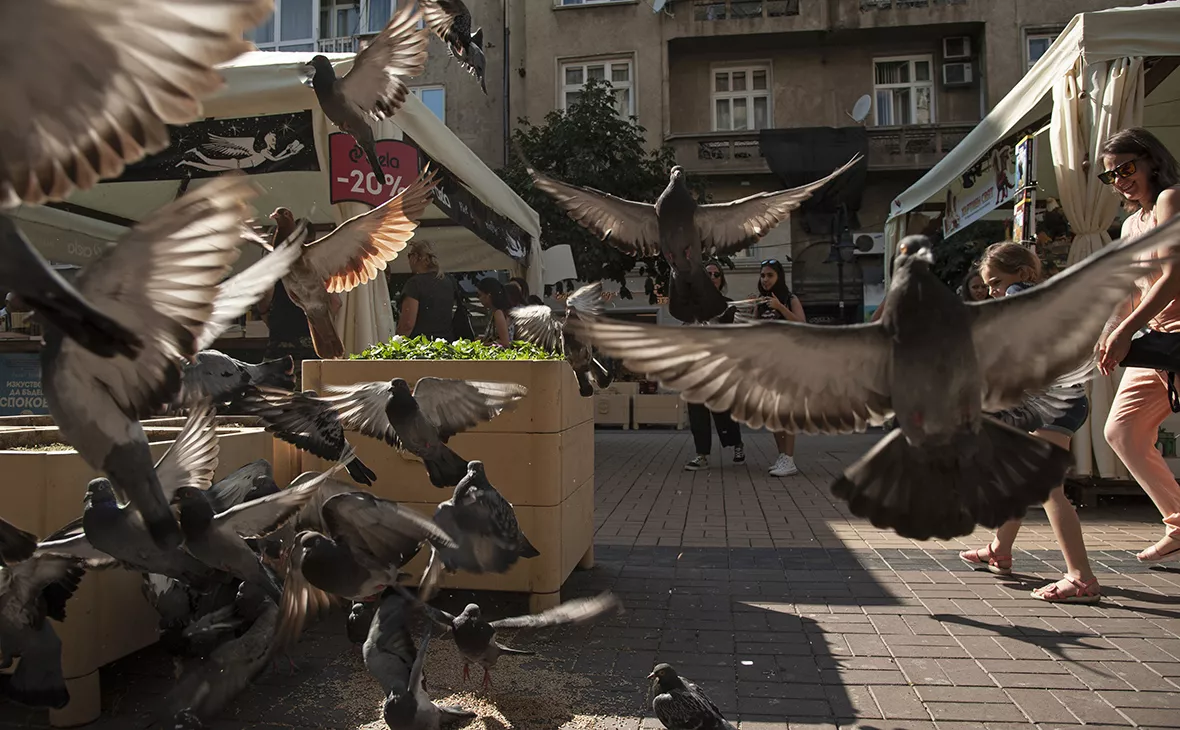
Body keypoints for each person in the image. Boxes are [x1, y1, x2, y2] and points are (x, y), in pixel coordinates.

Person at [959, 242, 1099, 603]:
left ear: (1021, 274)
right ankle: (999, 550)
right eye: (988, 285)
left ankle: (1081, 578)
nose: (992, 290)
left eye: (995, 282)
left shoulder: (1020, 294)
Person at [1096, 126, 1180, 563]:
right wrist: (1109, 331)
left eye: (1126, 168)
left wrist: (1125, 330)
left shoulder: (1171, 199)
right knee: (1123, 432)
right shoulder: (1131, 223)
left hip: (1171, 336)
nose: (1120, 180)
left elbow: (1173, 275)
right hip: (1159, 341)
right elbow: (1130, 287)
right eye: (1111, 175)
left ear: (1151, 160)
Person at [683, 261, 745, 471]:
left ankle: (736, 443)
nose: (712, 277)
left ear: (721, 280)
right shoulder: (692, 306)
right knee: (697, 413)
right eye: (708, 274)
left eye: (716, 274)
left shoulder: (729, 306)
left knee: (723, 411)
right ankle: (702, 455)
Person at [755, 259, 806, 477]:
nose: (765, 279)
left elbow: (802, 324)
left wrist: (780, 308)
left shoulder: (789, 298)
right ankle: (782, 457)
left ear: (779, 277)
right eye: (763, 275)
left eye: (770, 275)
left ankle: (790, 458)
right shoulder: (761, 302)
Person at [397, 240, 457, 341]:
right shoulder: (449, 281)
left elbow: (407, 324)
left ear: (416, 257)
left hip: (420, 347)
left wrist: (397, 342)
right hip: (446, 344)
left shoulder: (415, 283)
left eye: (409, 255)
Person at [476, 277, 514, 347]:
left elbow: (505, 343)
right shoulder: (498, 312)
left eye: (480, 295)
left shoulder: (498, 313)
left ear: (488, 296)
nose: (479, 299)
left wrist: (483, 344)